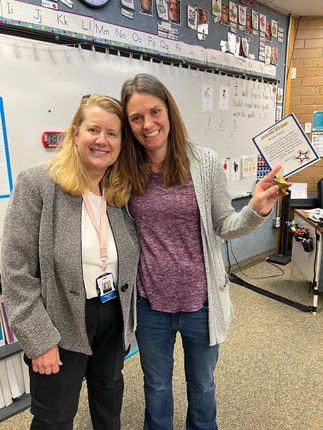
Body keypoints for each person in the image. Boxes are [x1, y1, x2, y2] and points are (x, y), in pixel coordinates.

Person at [117, 73, 285, 430]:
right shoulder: (126, 169)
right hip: (150, 306)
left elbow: (225, 225)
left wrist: (256, 209)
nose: (148, 124)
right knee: (157, 387)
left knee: (203, 386)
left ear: (169, 112)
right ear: (129, 124)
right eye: (136, 117)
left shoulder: (205, 162)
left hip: (201, 303)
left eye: (154, 111)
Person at [1, 94, 139, 430]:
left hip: (112, 315)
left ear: (122, 142)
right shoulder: (39, 183)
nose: (102, 140)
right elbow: (15, 270)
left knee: (109, 399)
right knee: (55, 416)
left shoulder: (119, 188)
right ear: (75, 132)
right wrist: (39, 340)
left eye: (112, 133)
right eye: (93, 129)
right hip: (58, 322)